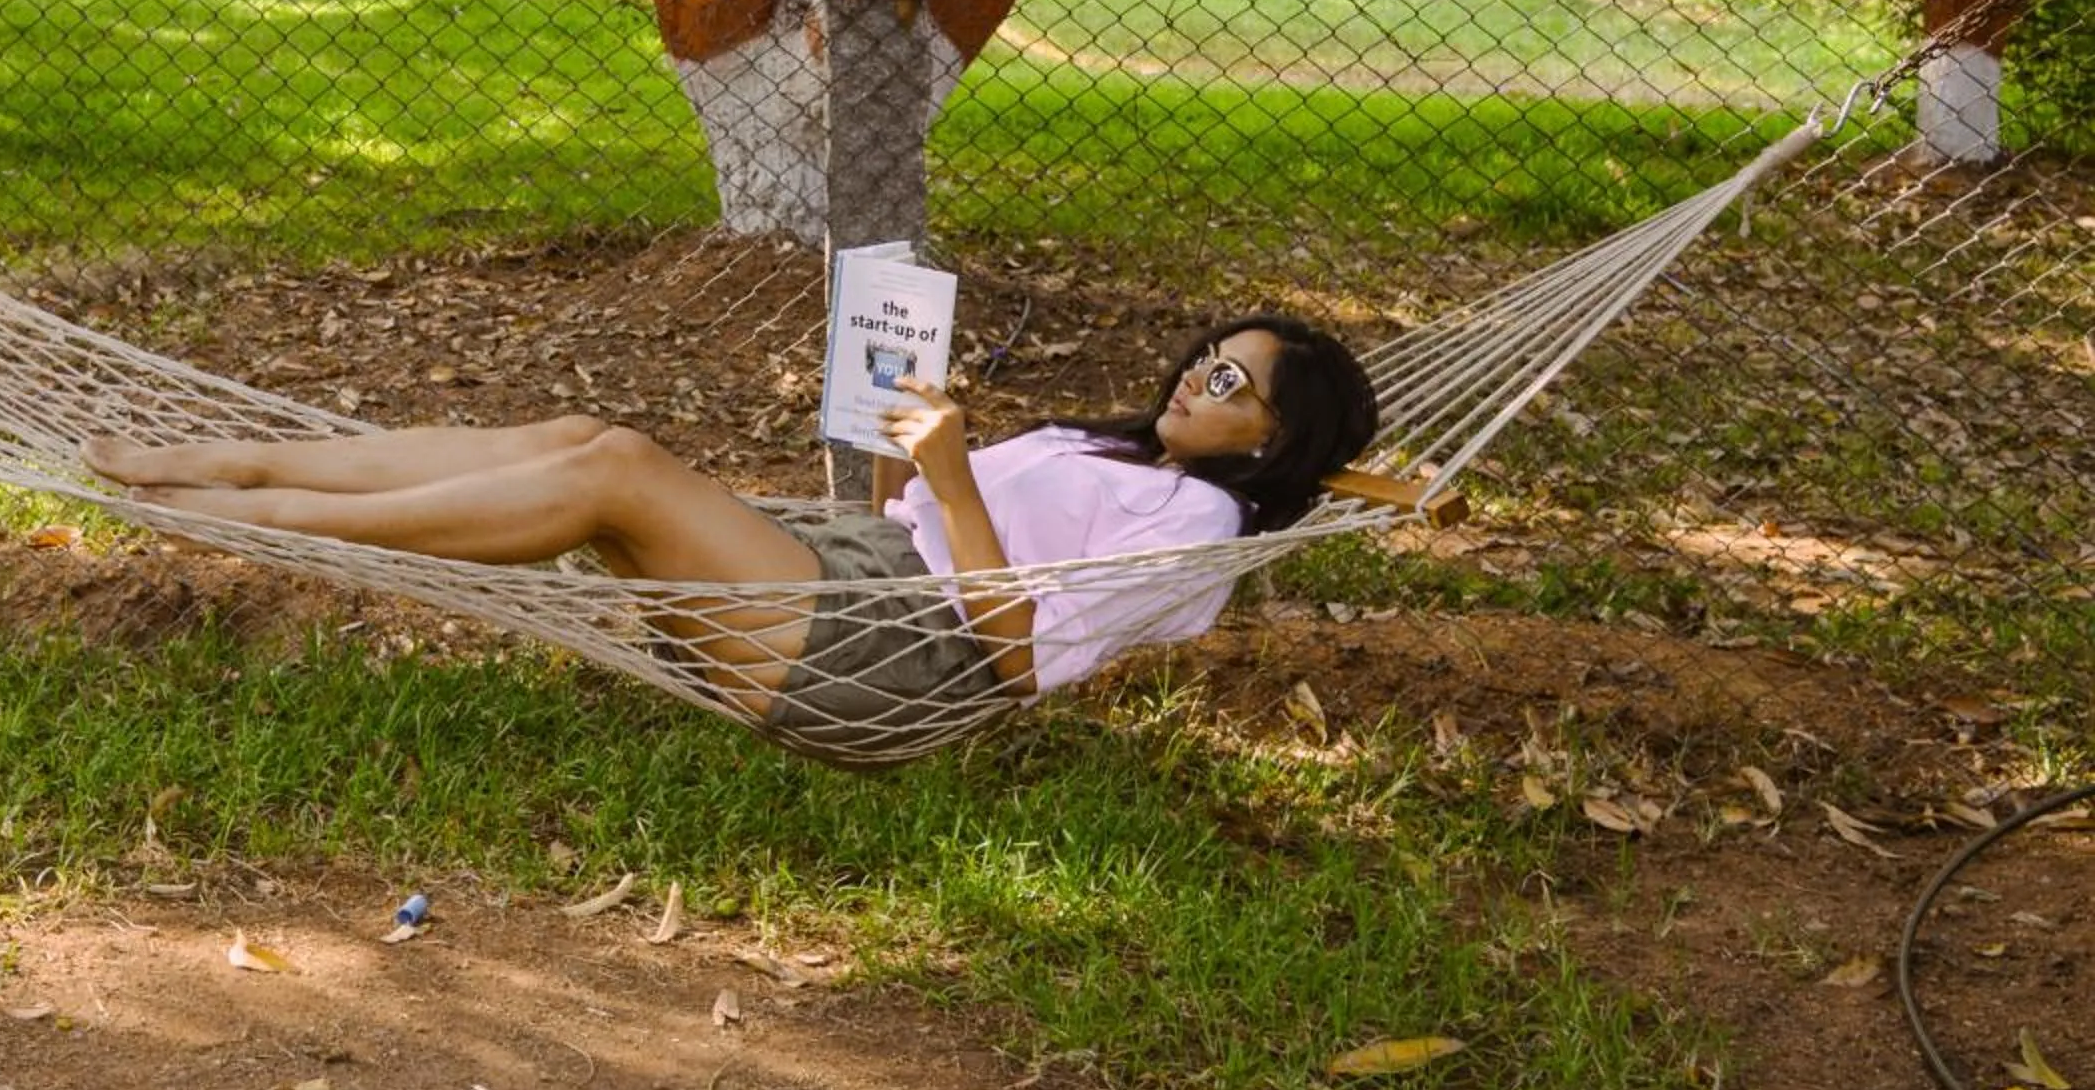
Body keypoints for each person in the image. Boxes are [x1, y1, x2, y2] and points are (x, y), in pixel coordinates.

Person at [84, 314, 1377, 761]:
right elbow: (917, 516)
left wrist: (949, 475)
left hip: (890, 666)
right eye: (1208, 358)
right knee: (590, 438)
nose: (1196, 379)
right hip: (855, 578)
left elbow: (1021, 653)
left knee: (616, 472)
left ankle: (263, 511)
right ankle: (242, 461)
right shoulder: (1119, 451)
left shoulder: (1197, 533)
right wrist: (910, 453)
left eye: (1230, 386)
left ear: (1270, 444)